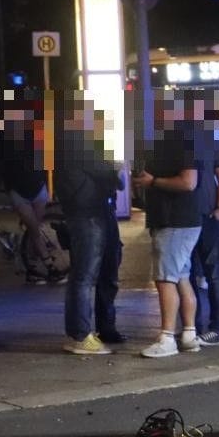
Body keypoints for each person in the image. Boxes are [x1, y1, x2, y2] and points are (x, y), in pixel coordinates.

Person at [132, 93, 204, 358]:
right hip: (180, 220)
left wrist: (153, 182)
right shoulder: (178, 137)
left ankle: (167, 338)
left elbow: (188, 182)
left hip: (174, 220)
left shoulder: (180, 139)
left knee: (165, 279)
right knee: (181, 277)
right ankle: (189, 334)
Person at [54, 95, 125, 355]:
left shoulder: (90, 143)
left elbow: (114, 177)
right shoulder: (75, 142)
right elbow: (111, 172)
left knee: (108, 271)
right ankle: (80, 335)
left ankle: (106, 327)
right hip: (86, 215)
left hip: (100, 211)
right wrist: (115, 169)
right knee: (84, 276)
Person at [0, 92, 63, 284]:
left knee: (33, 230)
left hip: (34, 187)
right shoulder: (9, 136)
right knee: (34, 228)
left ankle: (33, 268)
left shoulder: (33, 132)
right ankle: (49, 266)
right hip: (26, 189)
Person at [190, 114, 219, 346]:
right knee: (212, 274)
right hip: (206, 216)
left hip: (201, 217)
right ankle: (208, 328)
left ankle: (206, 328)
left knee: (199, 275)